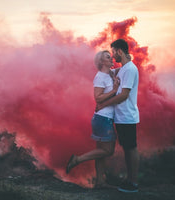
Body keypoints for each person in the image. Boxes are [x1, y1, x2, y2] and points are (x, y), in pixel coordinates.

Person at [66, 50, 119, 188]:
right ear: (102, 62)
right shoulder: (100, 77)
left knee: (100, 153)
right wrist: (114, 91)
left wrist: (127, 61)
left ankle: (100, 182)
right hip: (103, 119)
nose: (111, 58)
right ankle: (77, 160)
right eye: (108, 57)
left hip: (102, 118)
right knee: (108, 151)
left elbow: (123, 69)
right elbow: (98, 97)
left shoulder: (110, 74)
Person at [96, 39, 140, 193]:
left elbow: (124, 95)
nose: (113, 56)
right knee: (127, 148)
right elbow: (108, 72)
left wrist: (103, 104)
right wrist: (103, 65)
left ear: (120, 51)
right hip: (122, 117)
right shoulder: (123, 69)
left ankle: (133, 183)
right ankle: (130, 180)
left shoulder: (129, 69)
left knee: (131, 148)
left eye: (114, 52)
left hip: (127, 116)